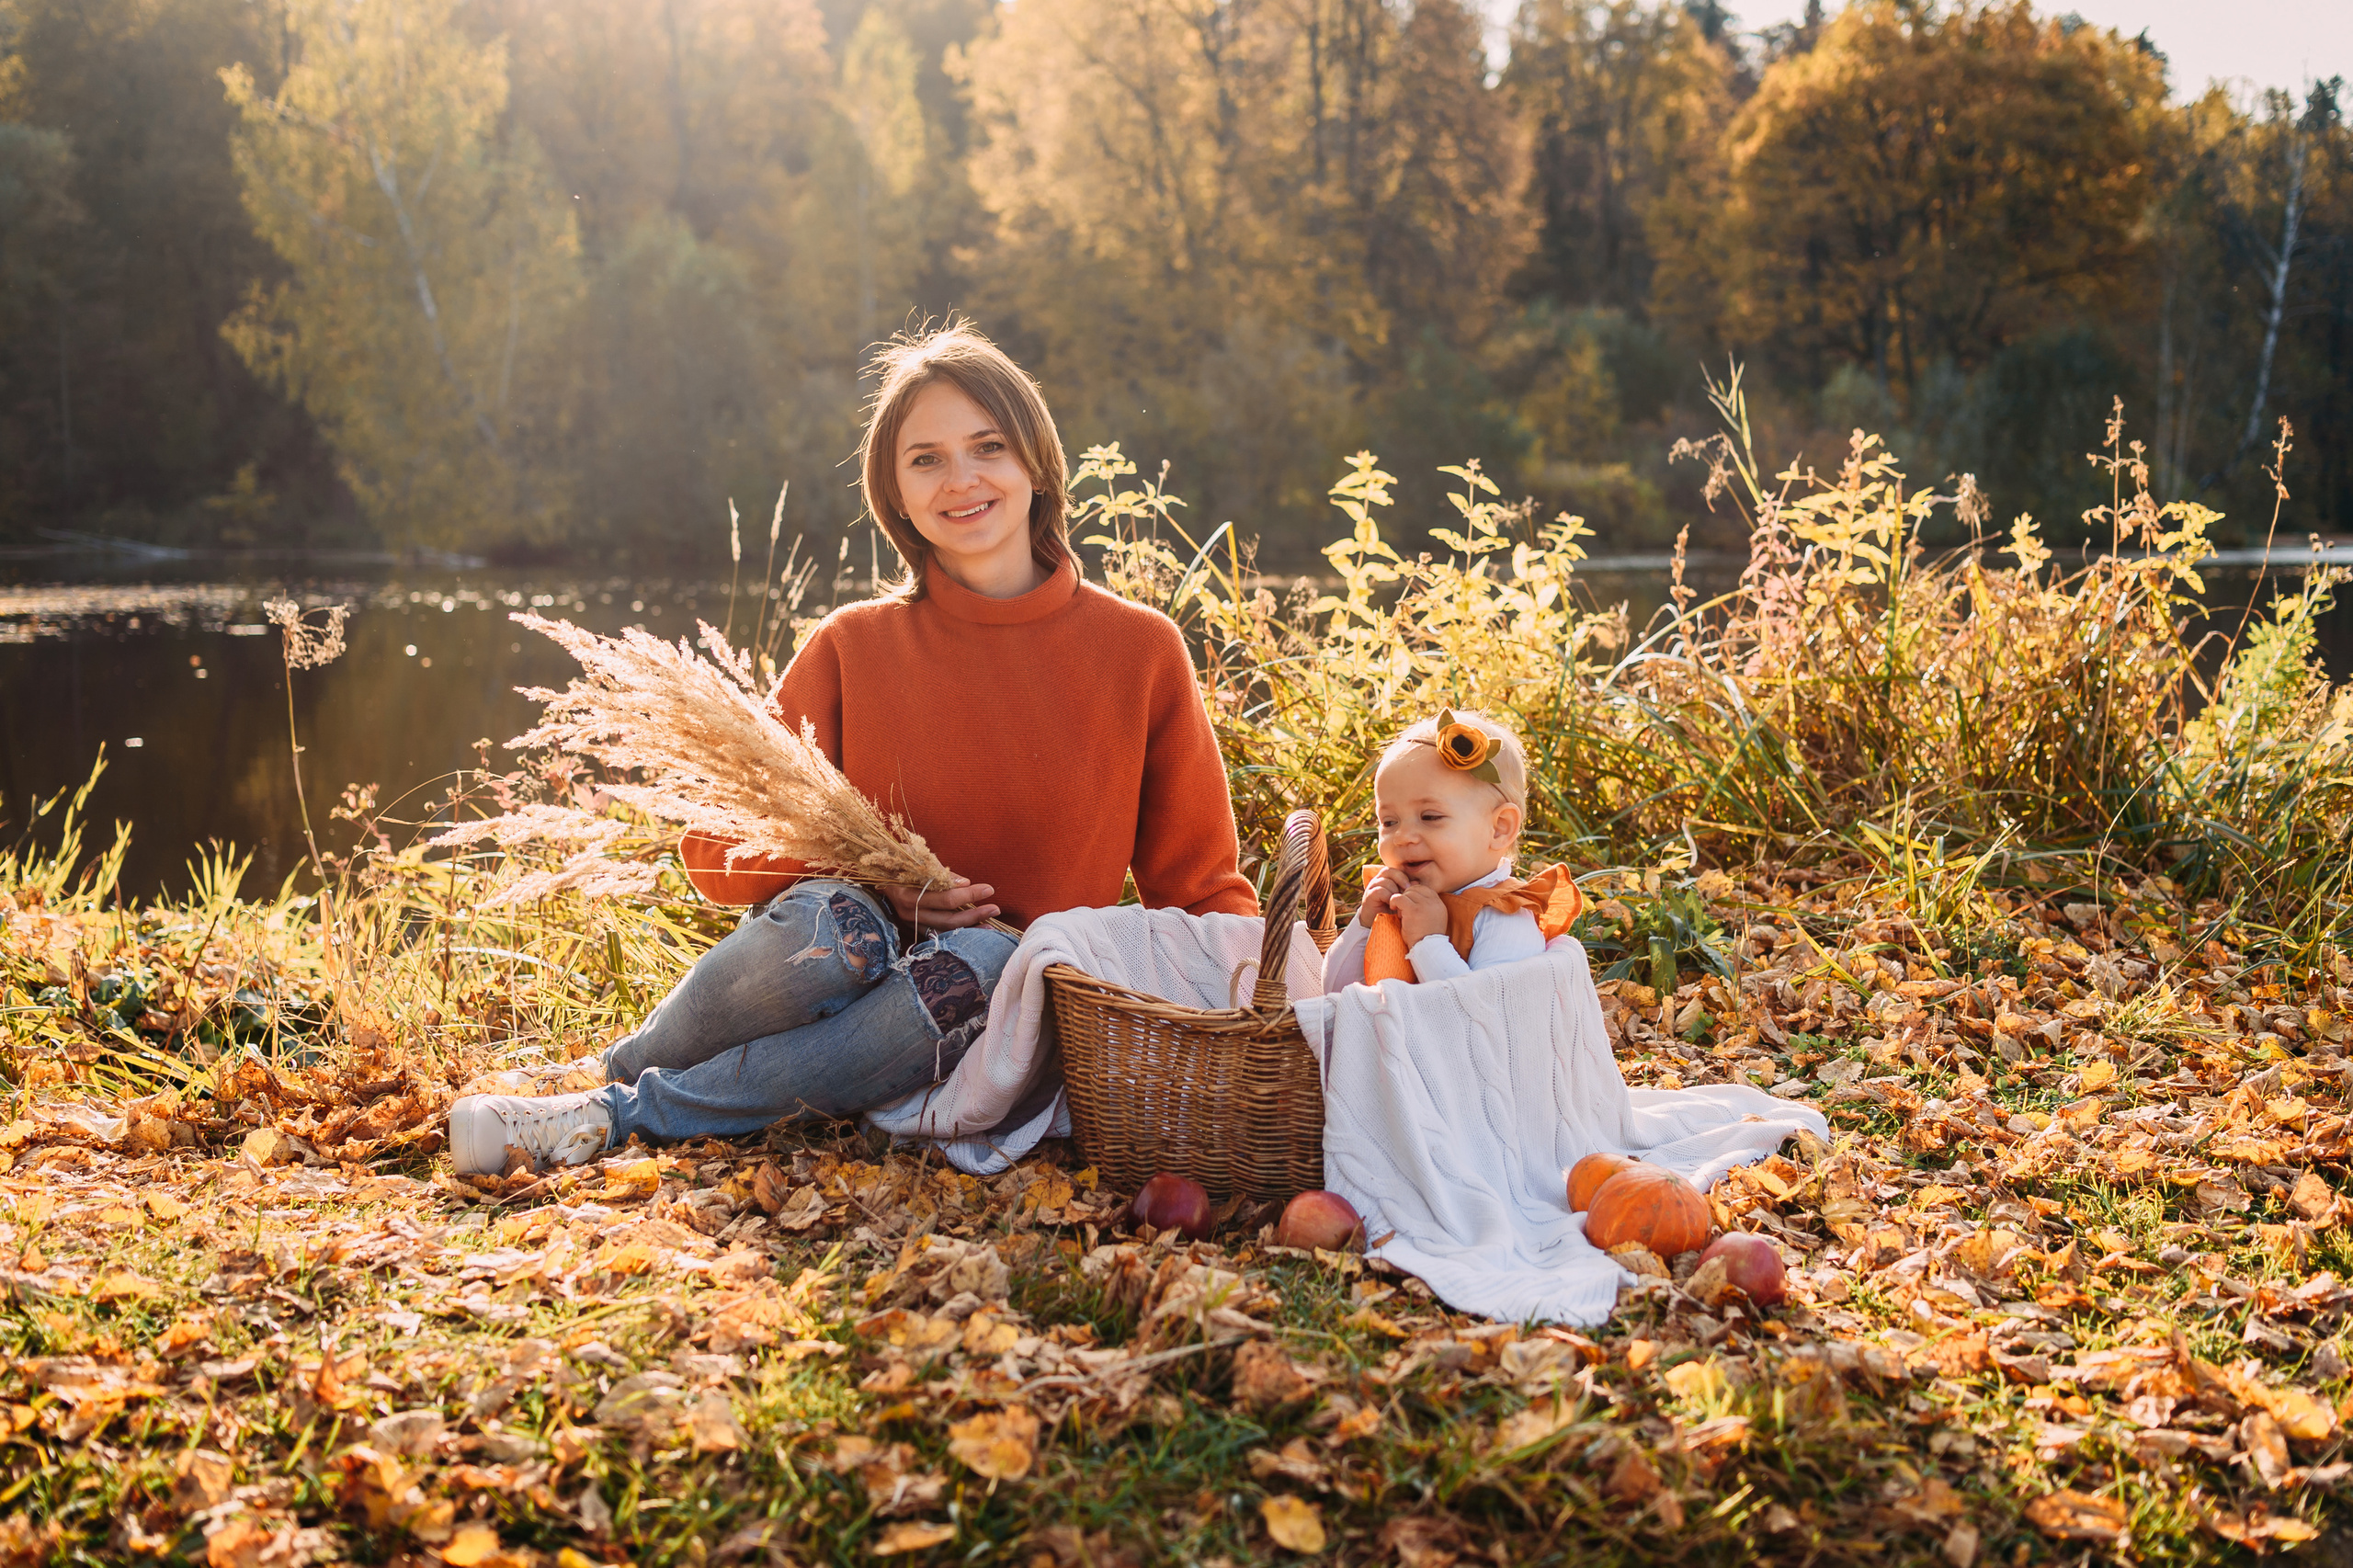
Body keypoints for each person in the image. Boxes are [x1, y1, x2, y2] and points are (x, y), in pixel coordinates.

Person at [449, 324, 1258, 1174]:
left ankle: (619, 1114)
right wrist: (879, 881)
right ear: (894, 493)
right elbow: (713, 855)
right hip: (829, 983)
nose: (962, 480)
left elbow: (1201, 890)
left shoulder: (1138, 651)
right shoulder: (852, 646)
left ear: (1037, 463)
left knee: (989, 957)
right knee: (840, 925)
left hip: (992, 1022)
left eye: (987, 447)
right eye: (926, 460)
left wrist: (1276, 1007)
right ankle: (595, 1090)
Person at [1322, 709, 1582, 992]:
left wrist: (1427, 942)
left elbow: (1484, 1015)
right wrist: (1364, 924)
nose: (1403, 837)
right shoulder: (1397, 901)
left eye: (1430, 817)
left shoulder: (1503, 918)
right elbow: (1336, 994)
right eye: (1389, 822)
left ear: (1499, 829)